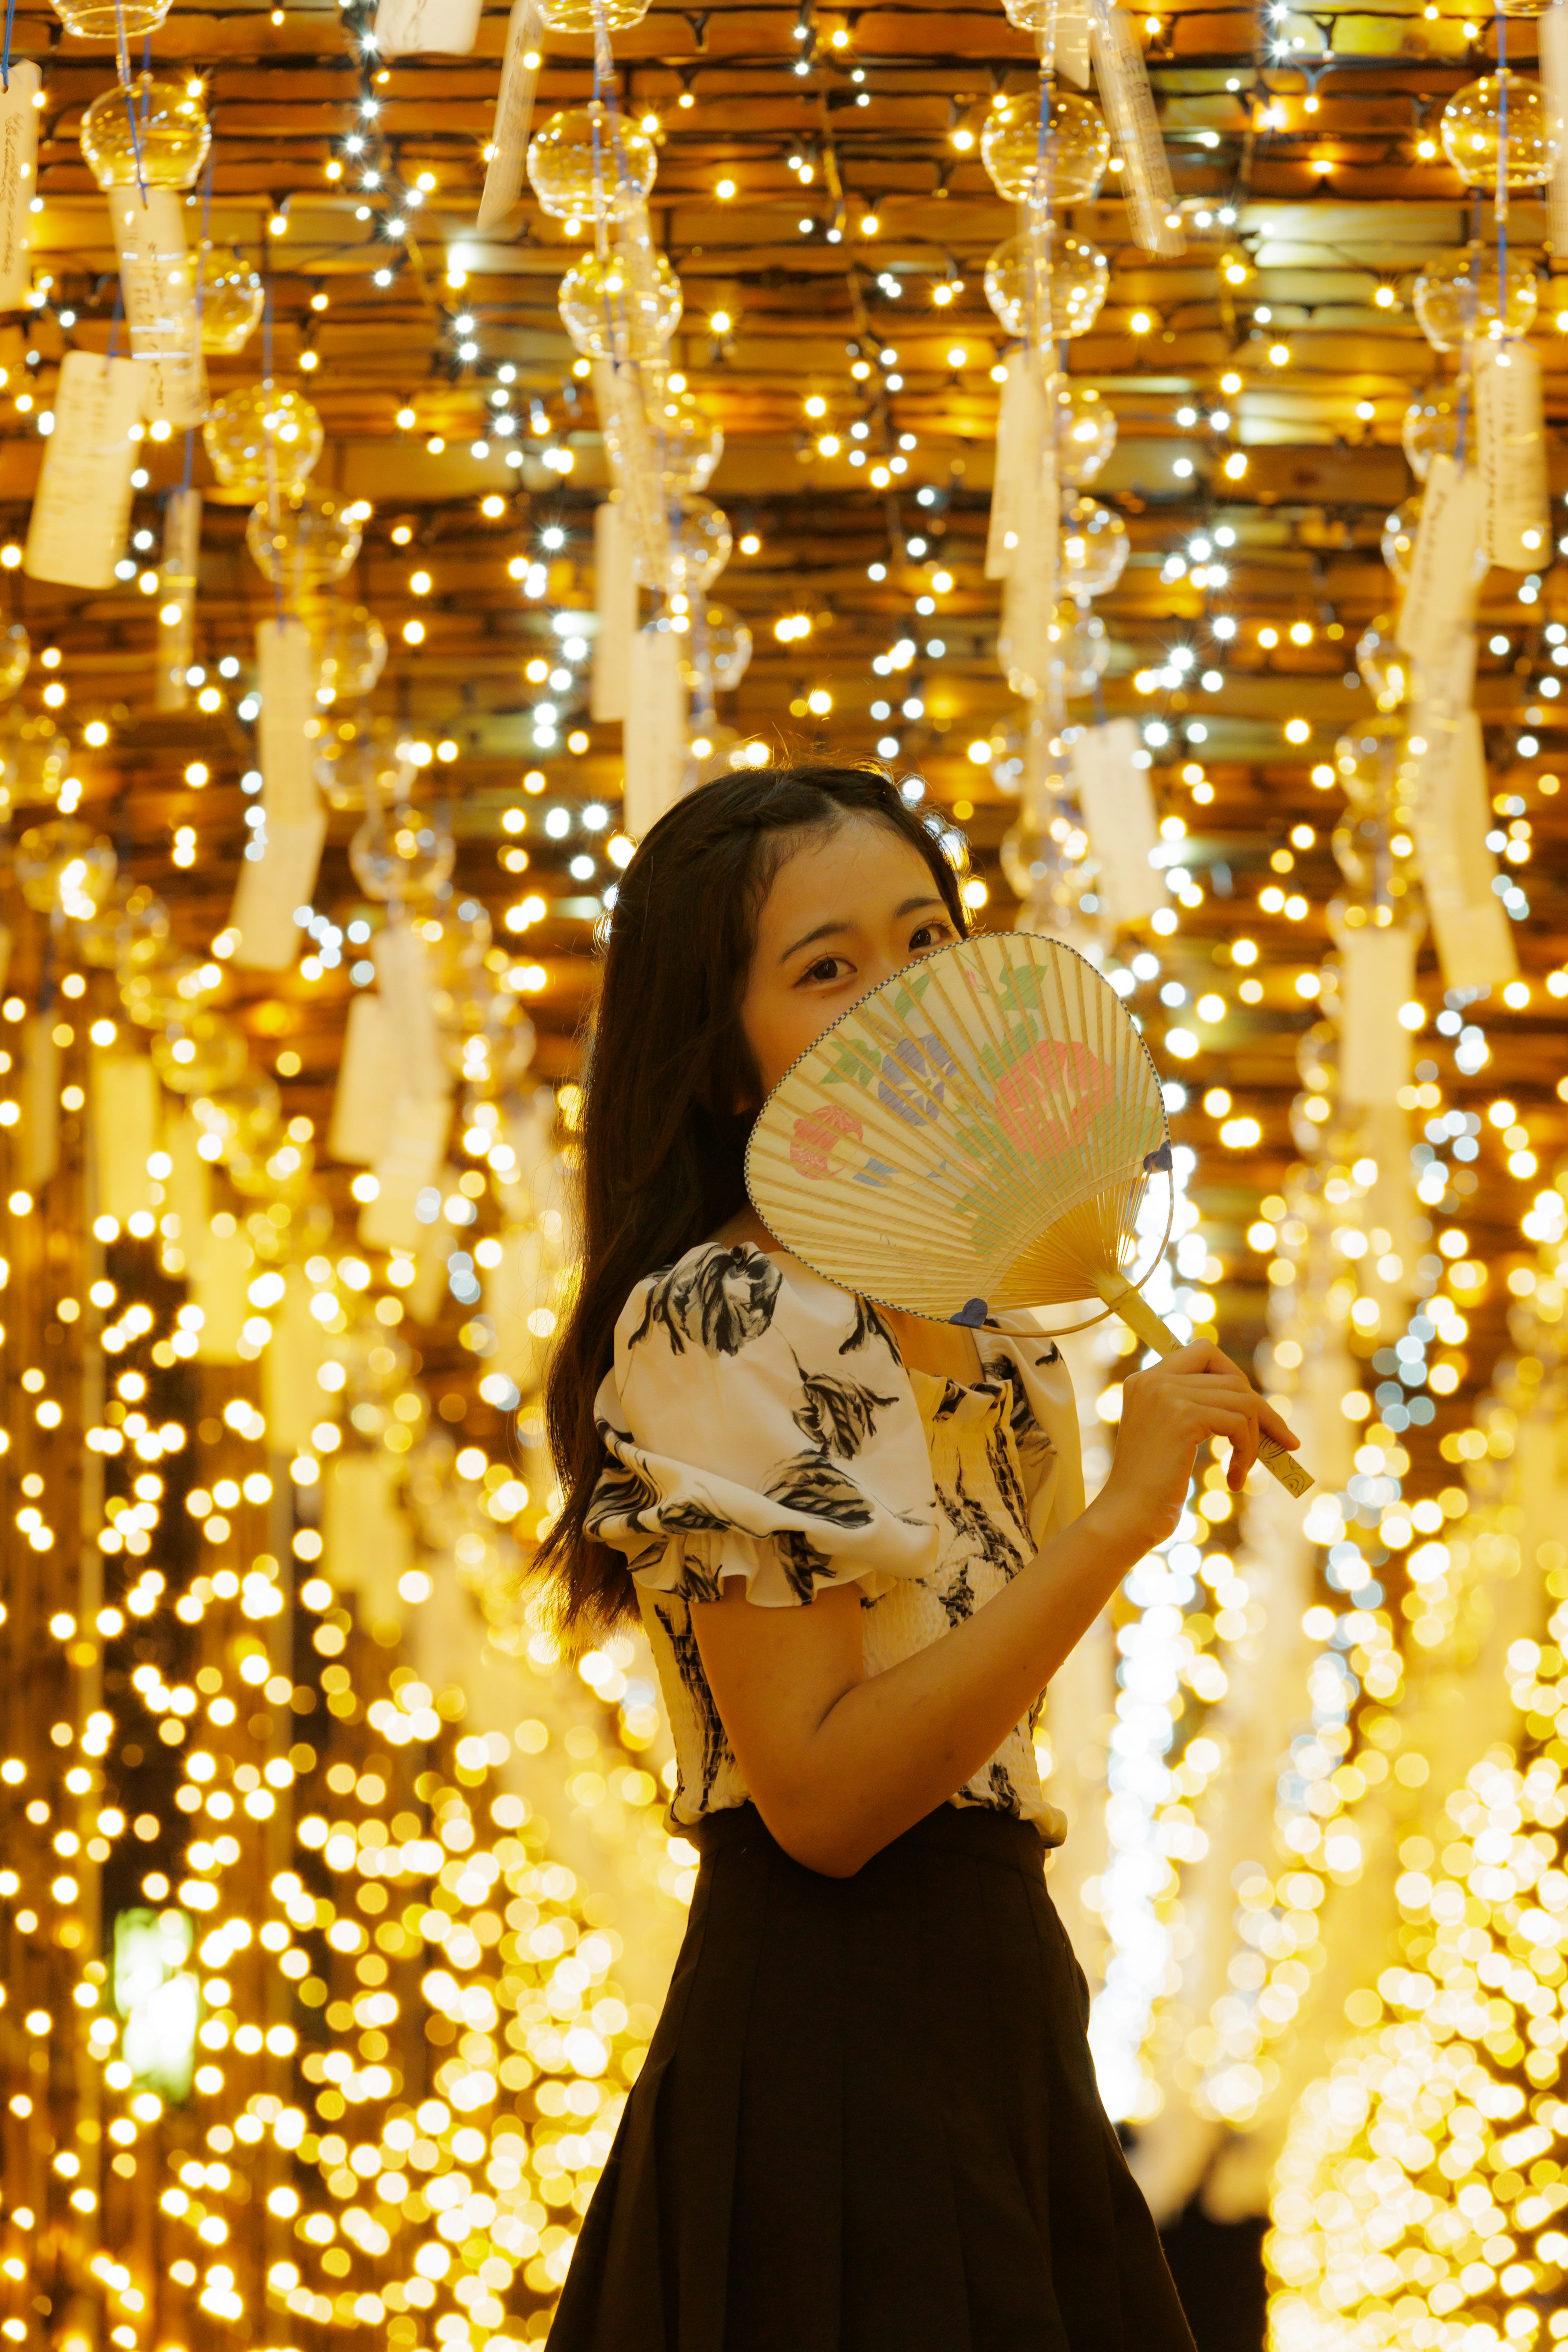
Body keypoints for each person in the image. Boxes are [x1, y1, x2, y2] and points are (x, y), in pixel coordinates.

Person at [537, 763, 1300, 2352]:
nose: (900, 1005)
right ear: (725, 1070)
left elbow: (975, 1714)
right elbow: (818, 1803)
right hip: (834, 2024)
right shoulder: (727, 1310)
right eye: (827, 971)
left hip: (995, 1986)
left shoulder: (994, 1324)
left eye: (925, 942)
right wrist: (1111, 1529)